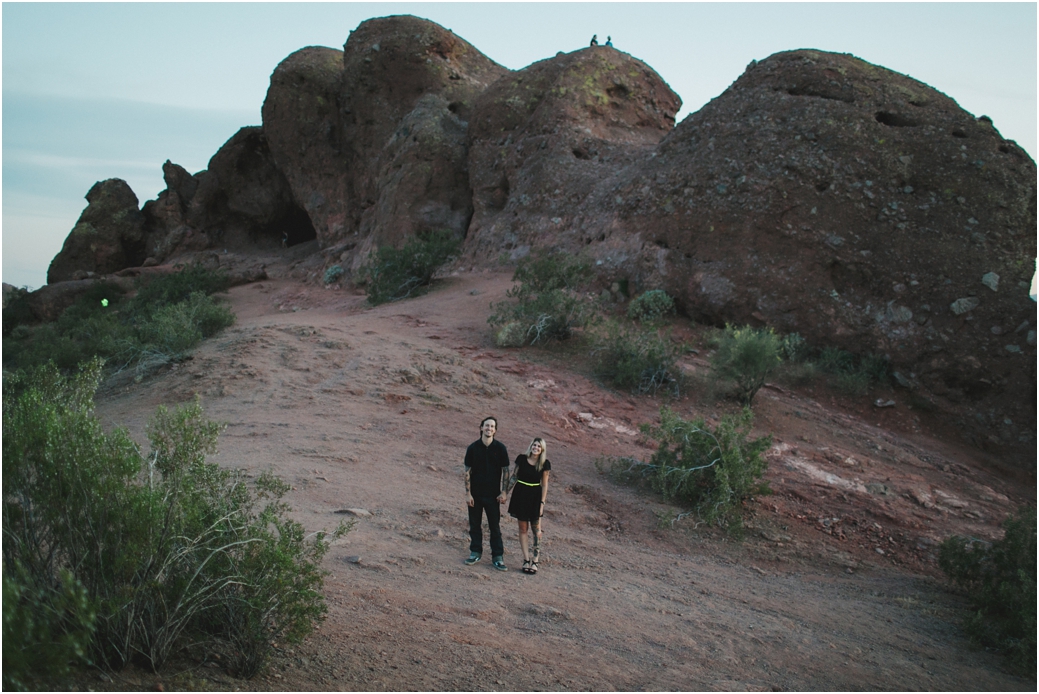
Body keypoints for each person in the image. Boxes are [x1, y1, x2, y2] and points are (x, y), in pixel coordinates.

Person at [464, 416, 511, 571]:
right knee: (474, 525)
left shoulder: (500, 448)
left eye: (492, 426)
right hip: (475, 495)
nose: (489, 428)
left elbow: (506, 472)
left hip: (493, 496)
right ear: (481, 428)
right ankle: (475, 552)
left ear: (495, 430)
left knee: (494, 527)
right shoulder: (472, 448)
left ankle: (498, 557)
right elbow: (467, 472)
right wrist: (468, 494)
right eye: (486, 426)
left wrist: (504, 492)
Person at [507, 437, 551, 574]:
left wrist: (542, 503)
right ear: (531, 446)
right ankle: (526, 560)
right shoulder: (521, 458)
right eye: (534, 445)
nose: (536, 448)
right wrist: (504, 492)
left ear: (542, 449)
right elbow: (514, 476)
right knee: (523, 528)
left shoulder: (544, 464)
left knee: (536, 529)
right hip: (520, 494)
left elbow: (544, 485)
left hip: (535, 497)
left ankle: (535, 560)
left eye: (539, 446)